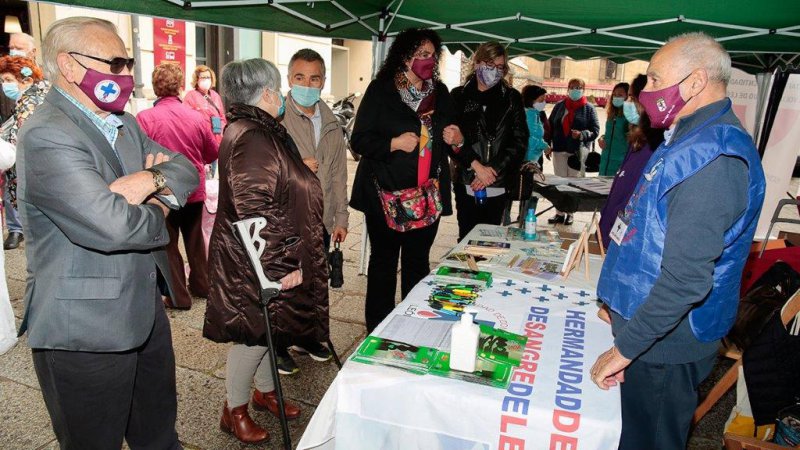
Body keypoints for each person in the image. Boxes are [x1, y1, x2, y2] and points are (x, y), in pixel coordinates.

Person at [16, 17, 199, 449]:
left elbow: (187, 170)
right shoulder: (46, 135)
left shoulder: (125, 122)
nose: (127, 76)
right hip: (86, 333)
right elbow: (115, 228)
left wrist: (149, 181)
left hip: (145, 312)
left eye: (128, 63)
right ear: (70, 65)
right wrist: (160, 198)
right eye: (115, 63)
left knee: (159, 439)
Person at [590, 32, 766, 450]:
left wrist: (626, 349)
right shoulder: (690, 136)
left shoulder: (714, 158)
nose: (646, 92)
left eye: (654, 80)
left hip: (668, 342)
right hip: (655, 333)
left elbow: (687, 280)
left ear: (694, 81)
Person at [203, 58, 327, 444]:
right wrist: (281, 264)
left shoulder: (256, 129)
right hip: (256, 259)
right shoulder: (253, 135)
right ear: (268, 92)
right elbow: (254, 208)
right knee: (254, 334)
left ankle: (265, 392)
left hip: (257, 254)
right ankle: (233, 409)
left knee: (271, 328)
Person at [350, 28, 467, 332]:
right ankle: (379, 328)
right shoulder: (381, 90)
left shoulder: (439, 93)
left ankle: (415, 324)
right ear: (404, 56)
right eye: (421, 54)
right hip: (385, 196)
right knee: (383, 264)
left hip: (426, 197)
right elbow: (358, 140)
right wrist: (393, 143)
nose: (428, 60)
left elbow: (454, 139)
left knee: (418, 263)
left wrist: (458, 139)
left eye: (432, 55)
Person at [279, 48, 348, 373]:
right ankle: (277, 345)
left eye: (314, 78)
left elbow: (338, 174)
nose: (307, 83)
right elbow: (257, 168)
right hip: (284, 218)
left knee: (313, 282)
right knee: (283, 282)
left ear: (323, 81)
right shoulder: (274, 117)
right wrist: (294, 165)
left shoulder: (332, 121)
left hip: (319, 217)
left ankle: (307, 336)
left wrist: (341, 217)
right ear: (289, 79)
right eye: (300, 77)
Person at [136, 63, 219, 309]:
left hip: (162, 190)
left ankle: (178, 296)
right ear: (180, 87)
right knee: (195, 243)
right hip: (193, 189)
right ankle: (203, 286)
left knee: (168, 245)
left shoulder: (144, 118)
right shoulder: (196, 117)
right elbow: (212, 152)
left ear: (155, 87)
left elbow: (139, 154)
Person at [450, 41, 527, 240]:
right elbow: (450, 140)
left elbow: (519, 141)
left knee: (490, 241)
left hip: (497, 180)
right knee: (466, 238)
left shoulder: (511, 98)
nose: (494, 71)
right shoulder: (459, 96)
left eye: (500, 67)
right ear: (476, 64)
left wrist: (491, 170)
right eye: (489, 65)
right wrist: (476, 168)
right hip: (466, 179)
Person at [598, 75, 663, 247]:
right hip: (611, 236)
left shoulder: (652, 147)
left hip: (623, 240)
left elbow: (632, 199)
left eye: (632, 98)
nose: (627, 103)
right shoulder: (637, 140)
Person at [0, 55, 50, 249]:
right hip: (38, 180)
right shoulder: (34, 98)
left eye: (9, 80)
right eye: (2, 81)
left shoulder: (29, 104)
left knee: (40, 246)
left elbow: (20, 142)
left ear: (26, 80)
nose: (5, 85)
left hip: (33, 181)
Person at [545, 78, 599, 225]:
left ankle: (570, 213)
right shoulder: (559, 106)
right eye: (573, 87)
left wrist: (582, 134)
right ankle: (559, 213)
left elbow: (595, 131)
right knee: (560, 183)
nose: (576, 89)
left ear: (584, 89)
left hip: (577, 153)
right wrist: (547, 145)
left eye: (579, 87)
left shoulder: (589, 108)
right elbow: (550, 126)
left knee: (573, 184)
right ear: (568, 89)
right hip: (559, 150)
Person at [598, 82, 630, 176]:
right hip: (605, 161)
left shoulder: (630, 117)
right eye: (614, 95)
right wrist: (601, 138)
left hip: (619, 162)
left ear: (628, 96)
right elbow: (609, 134)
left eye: (620, 95)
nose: (616, 97)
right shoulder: (612, 115)